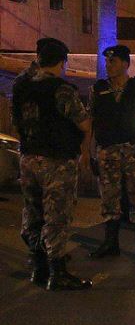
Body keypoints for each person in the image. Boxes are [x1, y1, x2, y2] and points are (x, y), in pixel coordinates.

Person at [12, 38, 92, 290]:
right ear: (61, 62)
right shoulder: (62, 90)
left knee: (33, 213)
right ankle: (57, 273)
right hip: (56, 162)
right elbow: (84, 123)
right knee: (57, 216)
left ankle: (38, 266)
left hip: (27, 157)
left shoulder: (20, 85)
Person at [88, 45, 135, 263]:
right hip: (107, 151)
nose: (109, 66)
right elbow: (91, 121)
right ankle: (111, 244)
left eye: (113, 62)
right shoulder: (97, 90)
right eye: (107, 62)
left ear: (125, 64)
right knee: (109, 200)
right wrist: (89, 152)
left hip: (133, 151)